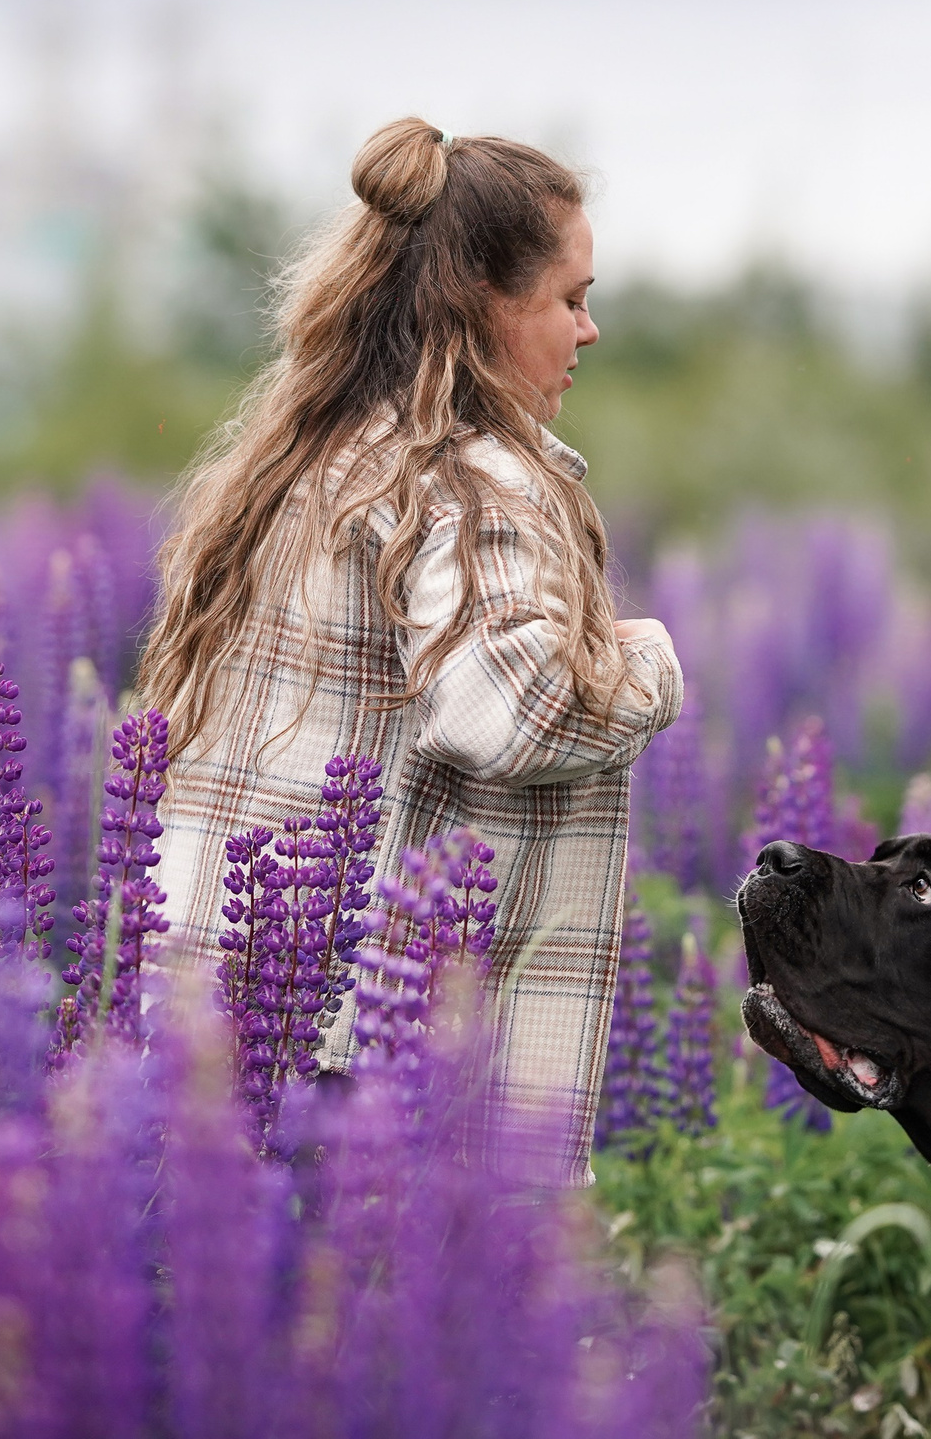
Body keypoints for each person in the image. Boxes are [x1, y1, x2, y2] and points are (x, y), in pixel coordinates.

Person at [139, 115, 684, 1181]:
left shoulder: (318, 453)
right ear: (485, 303)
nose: (591, 330)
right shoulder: (476, 477)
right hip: (366, 1038)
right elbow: (511, 707)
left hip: (224, 1001)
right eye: (570, 299)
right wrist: (645, 663)